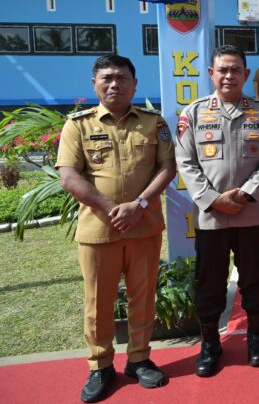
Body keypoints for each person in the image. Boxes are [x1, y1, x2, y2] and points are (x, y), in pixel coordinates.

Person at [56, 55, 175, 403]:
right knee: (98, 301)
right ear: (93, 84)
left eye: (122, 78)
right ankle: (100, 365)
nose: (114, 84)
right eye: (106, 78)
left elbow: (167, 167)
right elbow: (68, 176)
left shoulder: (153, 123)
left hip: (144, 227)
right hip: (99, 230)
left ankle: (139, 359)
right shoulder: (77, 125)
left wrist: (139, 205)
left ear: (134, 84)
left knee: (143, 297)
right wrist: (112, 209)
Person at [175, 45, 259, 376]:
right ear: (211, 73)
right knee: (209, 282)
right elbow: (185, 161)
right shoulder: (193, 114)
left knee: (254, 278)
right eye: (222, 70)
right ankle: (210, 343)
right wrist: (212, 199)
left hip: (251, 215)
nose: (229, 76)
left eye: (236, 70)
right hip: (211, 217)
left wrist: (247, 194)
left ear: (246, 74)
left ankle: (255, 336)